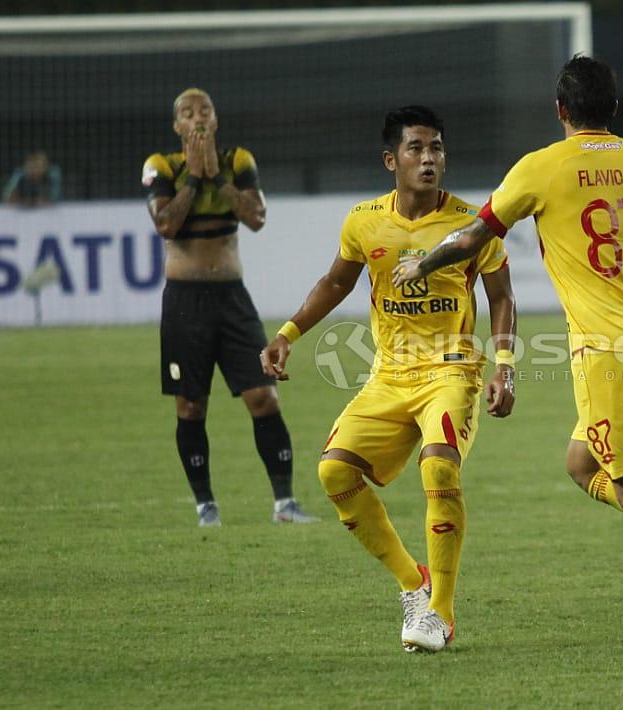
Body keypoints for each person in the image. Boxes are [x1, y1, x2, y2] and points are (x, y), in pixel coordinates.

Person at [393, 56, 623, 660]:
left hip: (608, 356)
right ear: (614, 108)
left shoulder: (539, 168)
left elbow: (474, 236)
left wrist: (421, 262)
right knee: (583, 464)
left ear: (560, 111)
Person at [261, 106, 517, 654]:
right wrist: (287, 333)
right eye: (417, 148)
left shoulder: (474, 224)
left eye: (437, 149)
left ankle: (441, 614)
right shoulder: (364, 221)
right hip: (389, 375)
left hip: (450, 370)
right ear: (390, 159)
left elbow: (502, 298)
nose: (429, 159)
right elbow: (335, 283)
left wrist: (505, 368)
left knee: (440, 464)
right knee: (333, 473)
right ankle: (413, 582)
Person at [142, 87, 316, 527]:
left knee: (263, 397)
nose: (197, 117)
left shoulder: (238, 161)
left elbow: (256, 218)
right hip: (184, 304)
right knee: (191, 406)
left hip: (232, 298)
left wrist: (218, 178)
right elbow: (166, 224)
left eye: (205, 110)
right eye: (187, 112)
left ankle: (285, 504)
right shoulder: (161, 166)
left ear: (216, 120)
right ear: (177, 126)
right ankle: (206, 507)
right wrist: (196, 180)